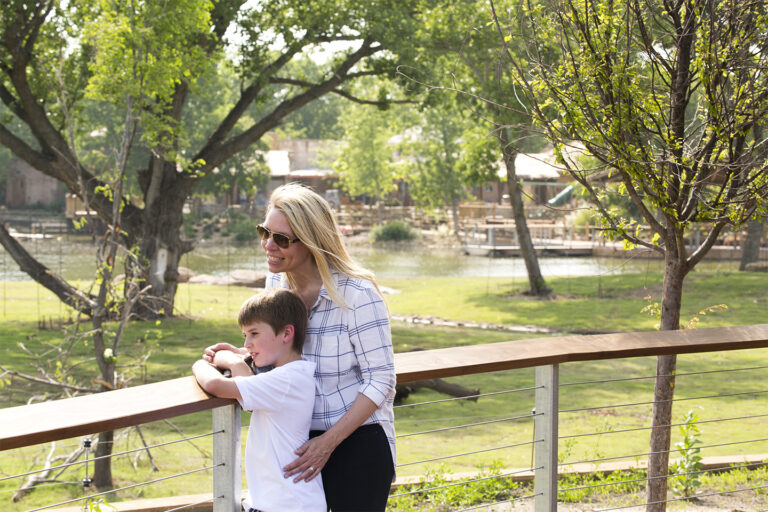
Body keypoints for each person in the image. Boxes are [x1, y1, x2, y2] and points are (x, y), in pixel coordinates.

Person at [204, 183, 396, 512]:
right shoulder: (276, 285)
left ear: (311, 240)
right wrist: (246, 355)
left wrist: (328, 442)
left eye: (281, 239)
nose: (268, 245)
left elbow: (381, 380)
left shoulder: (358, 295)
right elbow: (286, 355)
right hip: (296, 444)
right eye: (264, 232)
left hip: (356, 444)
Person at [193, 288, 326, 512]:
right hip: (281, 502)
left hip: (288, 505)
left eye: (254, 333)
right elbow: (248, 386)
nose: (247, 344)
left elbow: (215, 385)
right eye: (245, 335)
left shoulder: (286, 380)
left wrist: (202, 364)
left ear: (286, 334)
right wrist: (238, 362)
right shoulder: (289, 377)